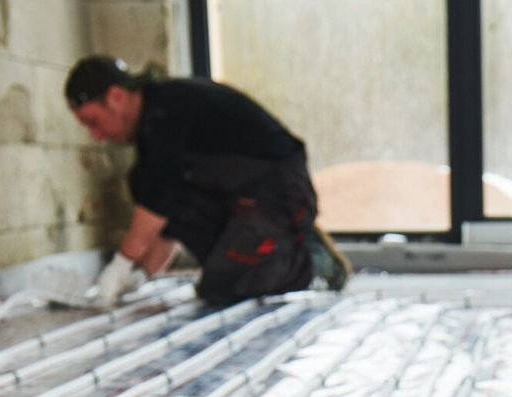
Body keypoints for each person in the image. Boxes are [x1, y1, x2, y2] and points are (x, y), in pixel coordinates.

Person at [64, 55, 351, 306]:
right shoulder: (154, 126)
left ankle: (313, 263)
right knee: (143, 183)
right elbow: (167, 221)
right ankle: (247, 257)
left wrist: (119, 267)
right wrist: (140, 277)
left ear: (116, 97)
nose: (96, 136)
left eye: (93, 122)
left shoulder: (166, 109)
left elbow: (157, 206)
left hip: (279, 193)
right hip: (243, 199)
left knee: (226, 285)